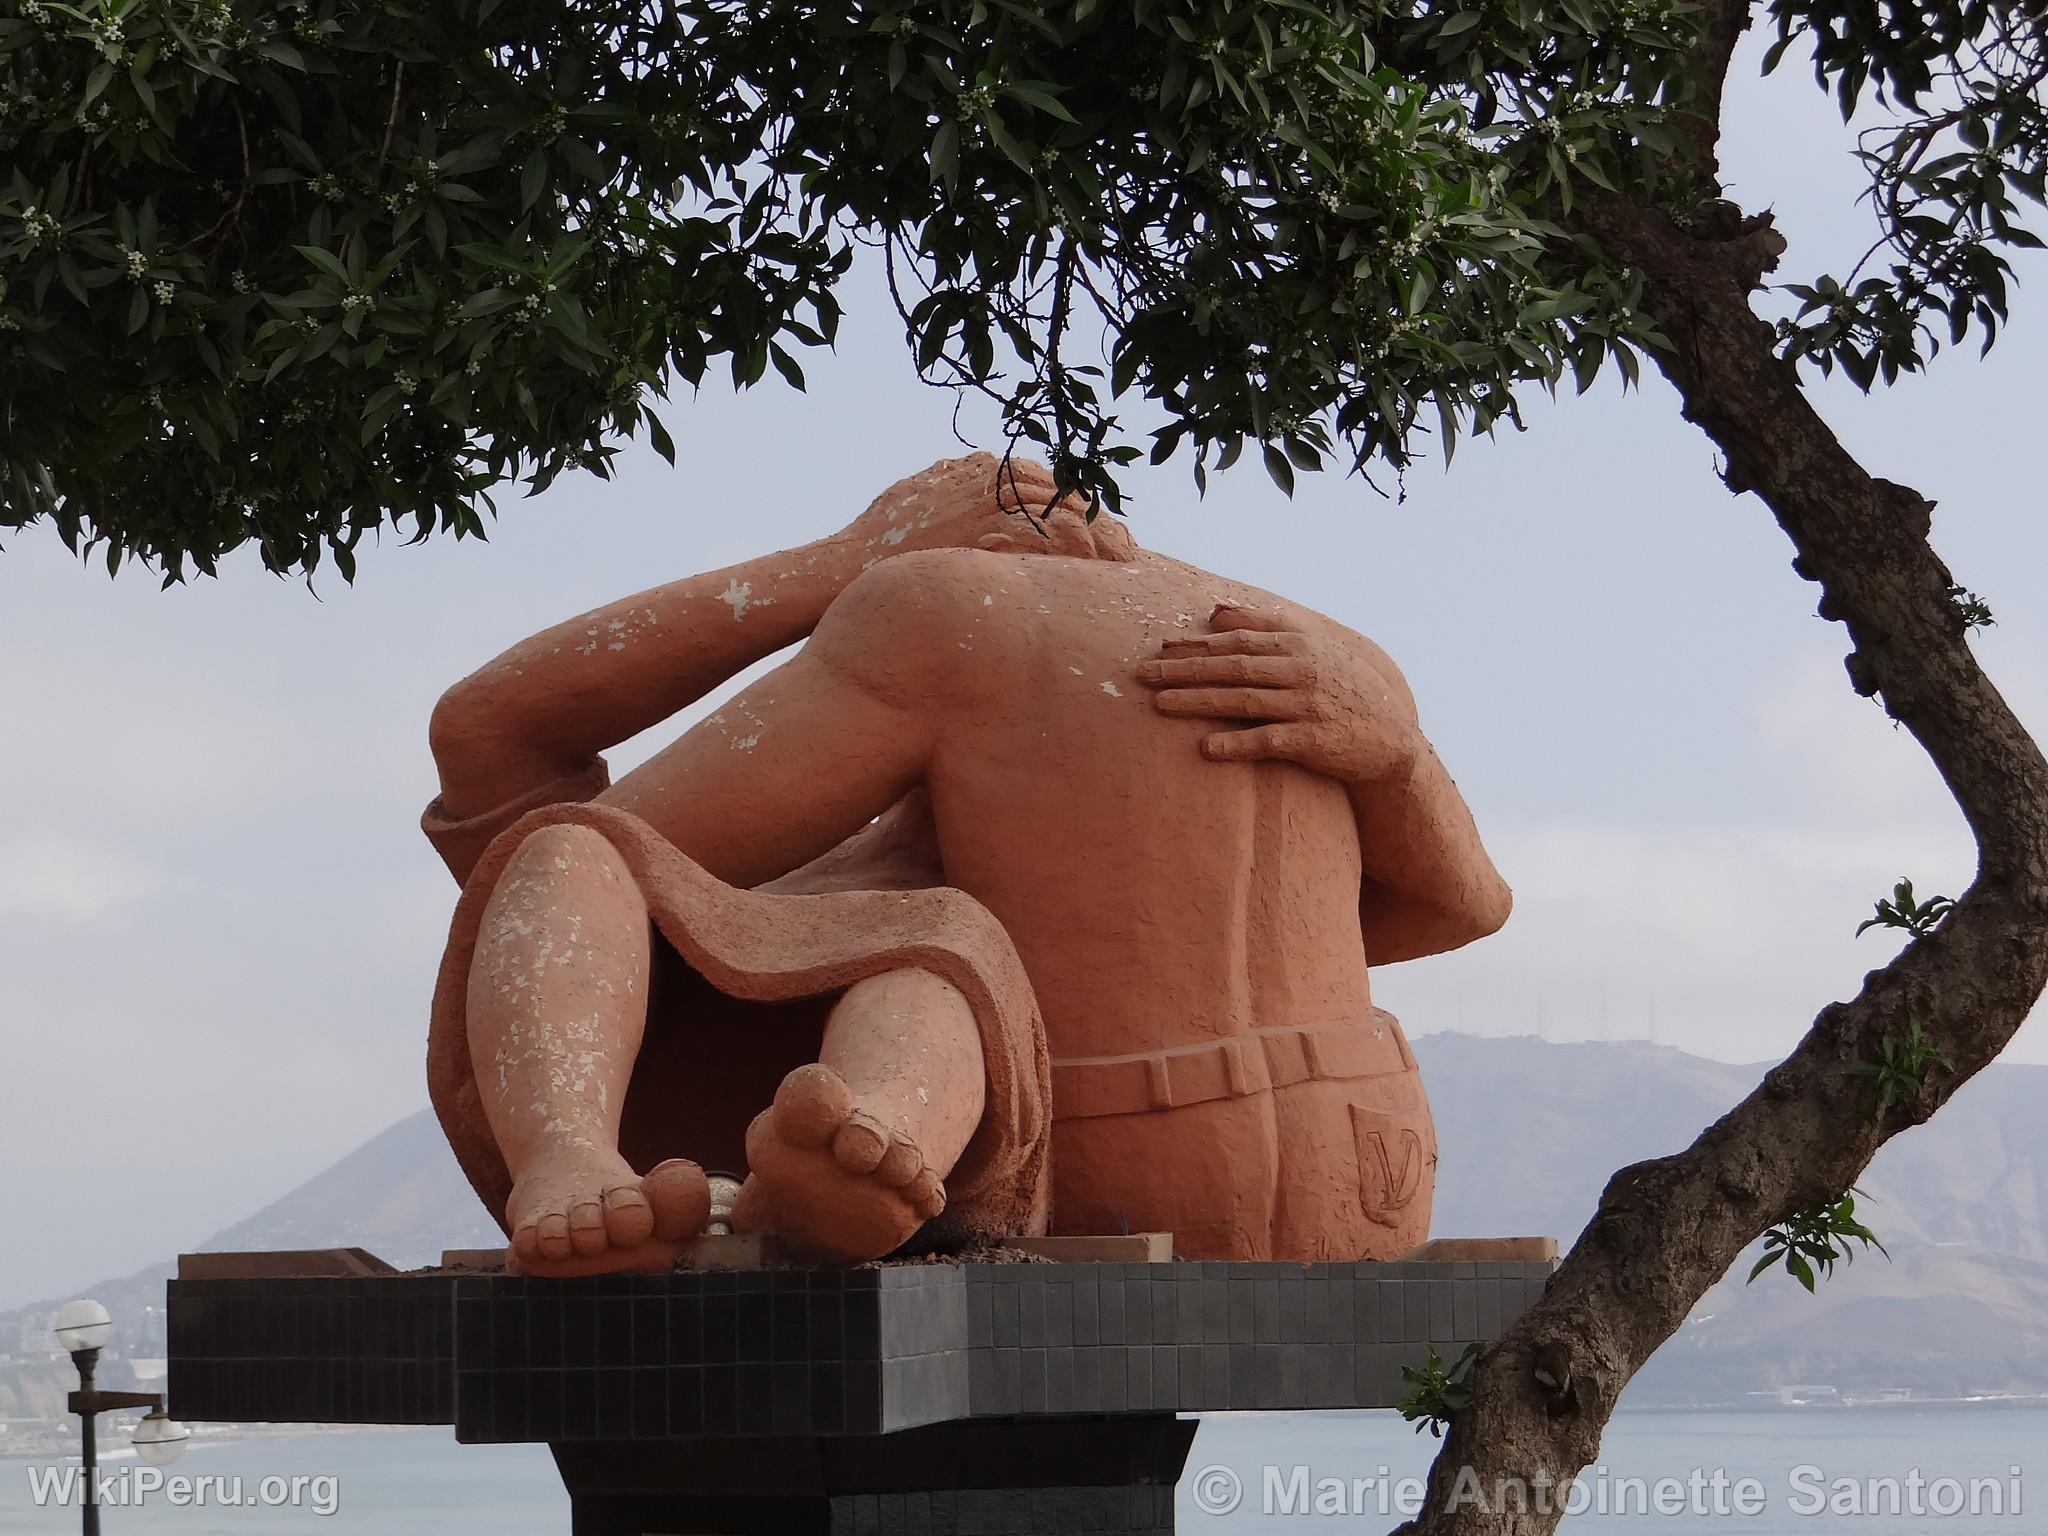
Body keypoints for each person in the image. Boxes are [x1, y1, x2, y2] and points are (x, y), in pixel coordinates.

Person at [423, 455, 1510, 1271]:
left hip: (1083, 1177)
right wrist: (1401, 759)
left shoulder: (944, 621)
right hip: (1364, 1182)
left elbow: (513, 763)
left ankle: (596, 1155)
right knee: (932, 962)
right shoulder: (1330, 658)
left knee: (571, 858)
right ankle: (844, 1157)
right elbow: (1459, 909)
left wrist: (841, 568)